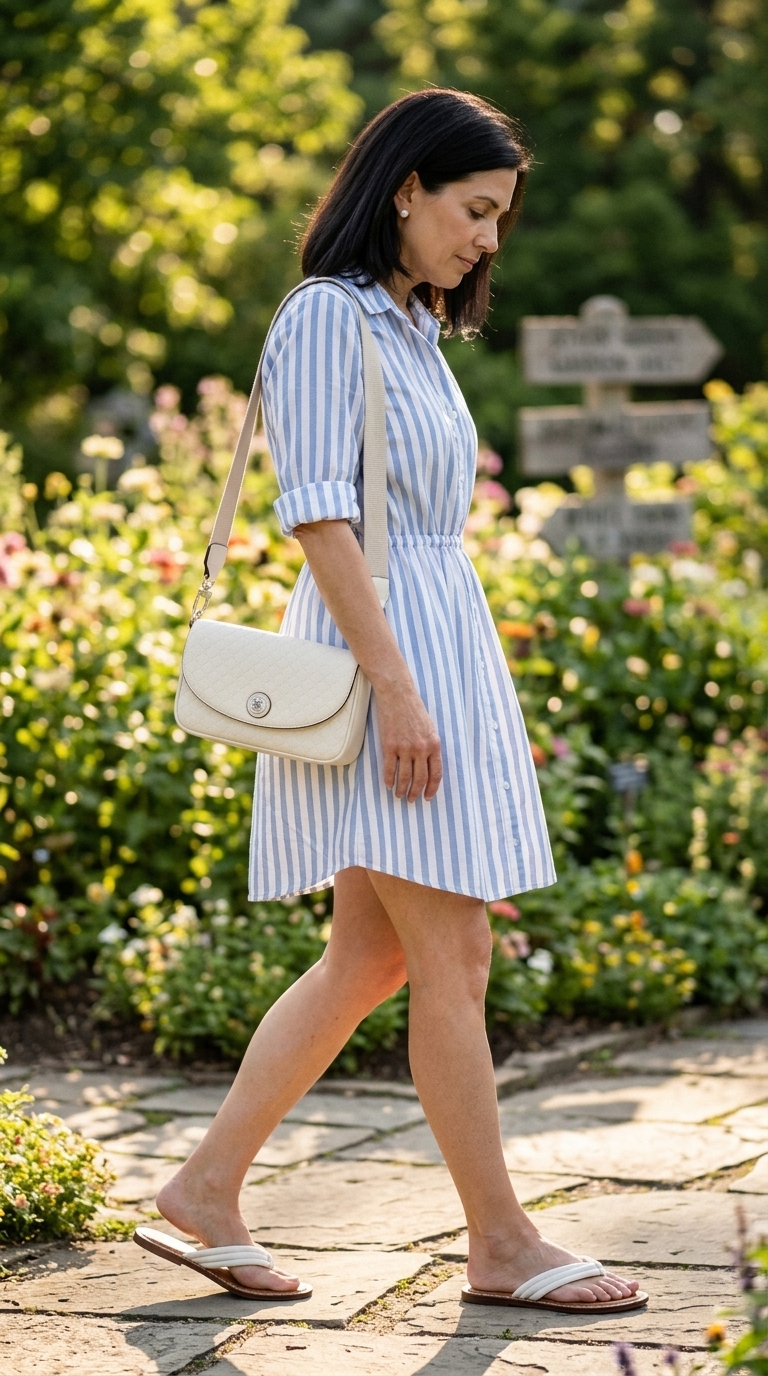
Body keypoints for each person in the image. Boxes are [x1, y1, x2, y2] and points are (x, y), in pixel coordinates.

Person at [146, 88, 645, 1313]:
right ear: (406, 187)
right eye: (475, 211)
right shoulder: (328, 318)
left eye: (500, 219)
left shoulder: (410, 328)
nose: (487, 240)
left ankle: (206, 1188)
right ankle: (501, 1240)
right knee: (453, 947)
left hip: (427, 645)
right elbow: (319, 511)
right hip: (388, 661)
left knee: (370, 952)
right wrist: (399, 689)